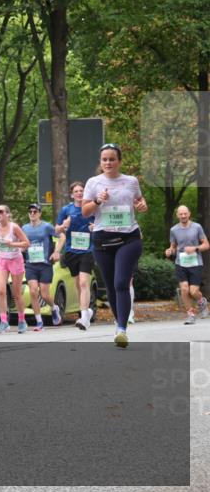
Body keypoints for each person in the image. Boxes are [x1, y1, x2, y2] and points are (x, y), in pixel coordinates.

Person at [82, 144, 148, 348]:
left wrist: (142, 205)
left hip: (129, 238)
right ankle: (119, 321)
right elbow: (85, 211)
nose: (108, 163)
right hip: (103, 240)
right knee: (110, 286)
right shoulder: (93, 182)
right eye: (104, 159)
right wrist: (98, 201)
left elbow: (139, 200)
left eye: (112, 159)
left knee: (121, 283)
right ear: (100, 162)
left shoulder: (131, 181)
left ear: (119, 161)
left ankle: (122, 329)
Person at [54, 181, 96, 330]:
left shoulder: (91, 208)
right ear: (72, 194)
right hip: (71, 251)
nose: (79, 193)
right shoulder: (66, 210)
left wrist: (95, 228)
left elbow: (102, 226)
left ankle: (84, 317)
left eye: (81, 190)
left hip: (88, 250)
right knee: (78, 284)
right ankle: (87, 311)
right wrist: (63, 226)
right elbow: (57, 230)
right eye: (76, 191)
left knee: (84, 283)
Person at [0, 206, 30, 333]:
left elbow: (26, 243)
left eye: (1, 212)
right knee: (1, 290)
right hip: (2, 261)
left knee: (16, 294)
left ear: (8, 214)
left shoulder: (14, 227)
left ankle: (22, 321)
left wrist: (11, 244)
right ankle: (4, 321)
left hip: (15, 260)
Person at [165, 205, 209, 325]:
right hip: (181, 263)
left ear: (189, 214)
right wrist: (169, 251)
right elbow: (173, 246)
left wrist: (195, 248)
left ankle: (201, 301)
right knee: (184, 289)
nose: (183, 216)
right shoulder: (174, 230)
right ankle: (190, 314)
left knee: (193, 291)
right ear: (177, 215)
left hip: (195, 262)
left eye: (185, 213)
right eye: (181, 214)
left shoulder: (197, 227)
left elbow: (206, 245)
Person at [22, 202, 58, 331]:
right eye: (30, 212)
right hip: (30, 264)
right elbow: (20, 242)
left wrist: (57, 251)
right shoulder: (24, 228)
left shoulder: (47, 227)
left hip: (45, 264)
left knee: (44, 294)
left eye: (35, 211)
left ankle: (54, 307)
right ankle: (39, 322)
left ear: (40, 213)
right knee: (33, 291)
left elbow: (62, 236)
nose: (32, 214)